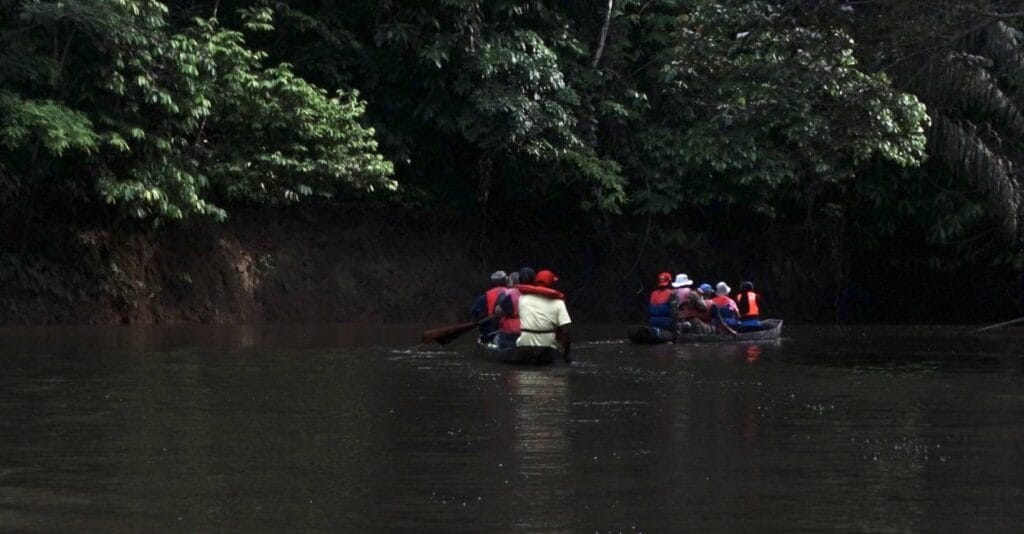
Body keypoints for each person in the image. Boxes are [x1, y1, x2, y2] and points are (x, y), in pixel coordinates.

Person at [517, 269, 572, 363]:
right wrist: (566, 354)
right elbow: (565, 331)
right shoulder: (559, 303)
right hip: (548, 346)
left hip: (524, 344)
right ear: (551, 284)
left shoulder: (522, 299)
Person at [494, 267, 534, 349]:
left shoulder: (510, 294)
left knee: (495, 339)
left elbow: (498, 312)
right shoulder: (540, 296)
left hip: (510, 337)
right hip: (532, 336)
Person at [470, 270, 507, 342]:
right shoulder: (513, 294)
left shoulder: (483, 298)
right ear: (505, 282)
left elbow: (474, 313)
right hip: (509, 333)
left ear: (492, 284)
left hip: (490, 334)